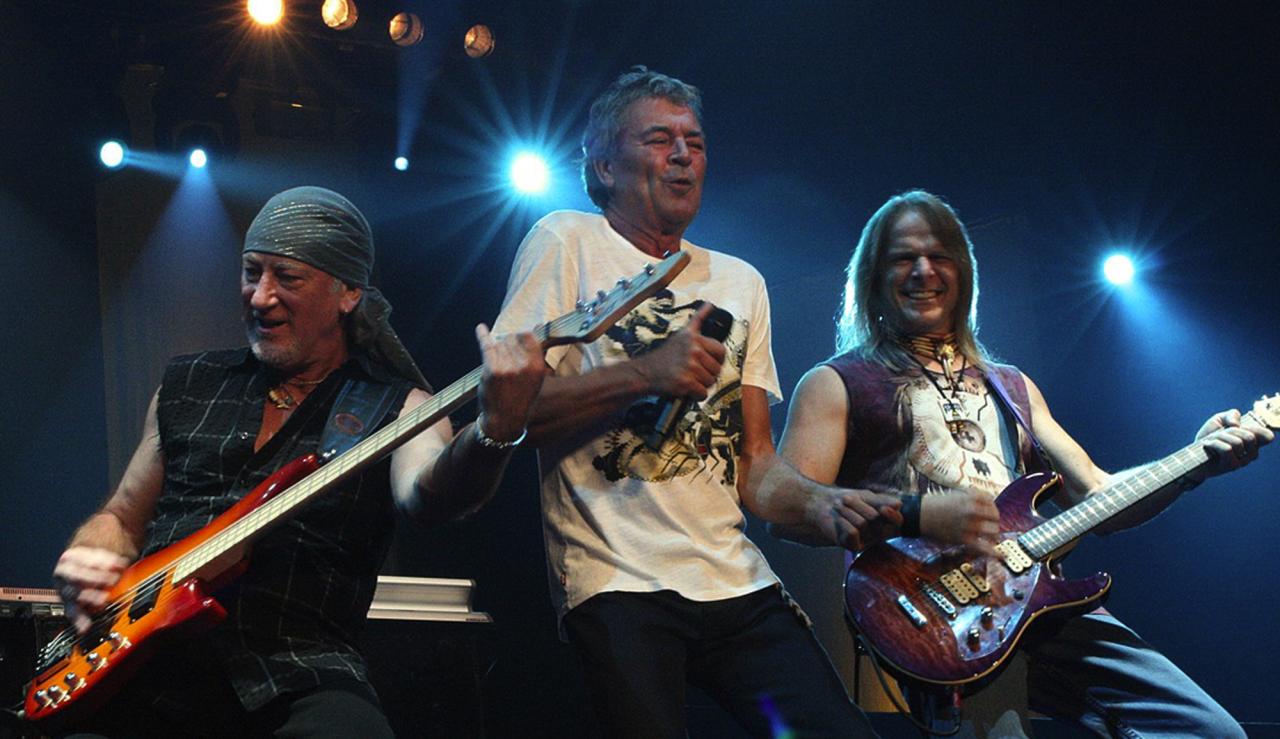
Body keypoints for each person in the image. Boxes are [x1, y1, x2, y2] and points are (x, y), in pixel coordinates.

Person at [50, 186, 546, 737]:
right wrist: (89, 553)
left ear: (348, 292)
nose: (261, 297)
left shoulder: (400, 407)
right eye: (251, 273)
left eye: (287, 278)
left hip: (299, 671)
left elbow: (430, 497)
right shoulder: (189, 382)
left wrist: (496, 429)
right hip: (148, 665)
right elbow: (122, 516)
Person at [775, 189, 1273, 738]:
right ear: (873, 275)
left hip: (1040, 603)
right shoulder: (835, 382)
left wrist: (1194, 462)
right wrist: (914, 514)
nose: (923, 271)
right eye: (903, 258)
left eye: (939, 256)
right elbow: (789, 509)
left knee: (1209, 731)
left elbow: (1097, 495)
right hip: (936, 619)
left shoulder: (1012, 386)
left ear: (964, 273)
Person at [492, 67, 895, 738]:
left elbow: (756, 467)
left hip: (733, 579)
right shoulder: (566, 239)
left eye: (695, 142)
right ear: (604, 165)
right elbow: (511, 414)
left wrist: (821, 503)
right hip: (618, 578)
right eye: (659, 139)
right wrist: (644, 373)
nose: (683, 155)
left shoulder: (741, 280)